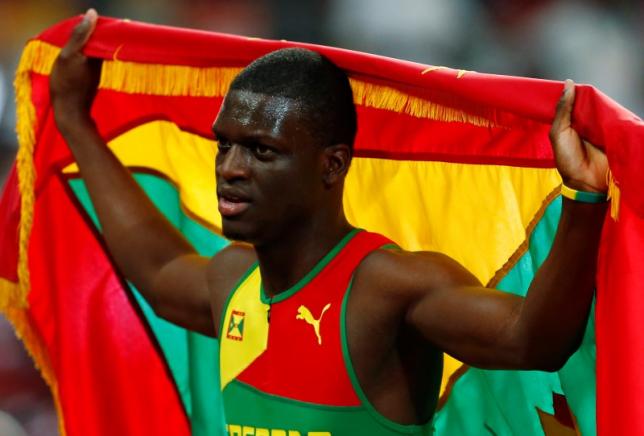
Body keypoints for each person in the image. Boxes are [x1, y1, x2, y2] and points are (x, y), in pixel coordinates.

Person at [49, 9, 608, 435]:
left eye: (262, 151)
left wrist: (583, 199)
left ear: (332, 165)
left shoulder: (386, 287)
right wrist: (75, 121)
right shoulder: (232, 281)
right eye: (226, 146)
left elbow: (531, 342)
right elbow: (158, 268)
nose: (231, 170)